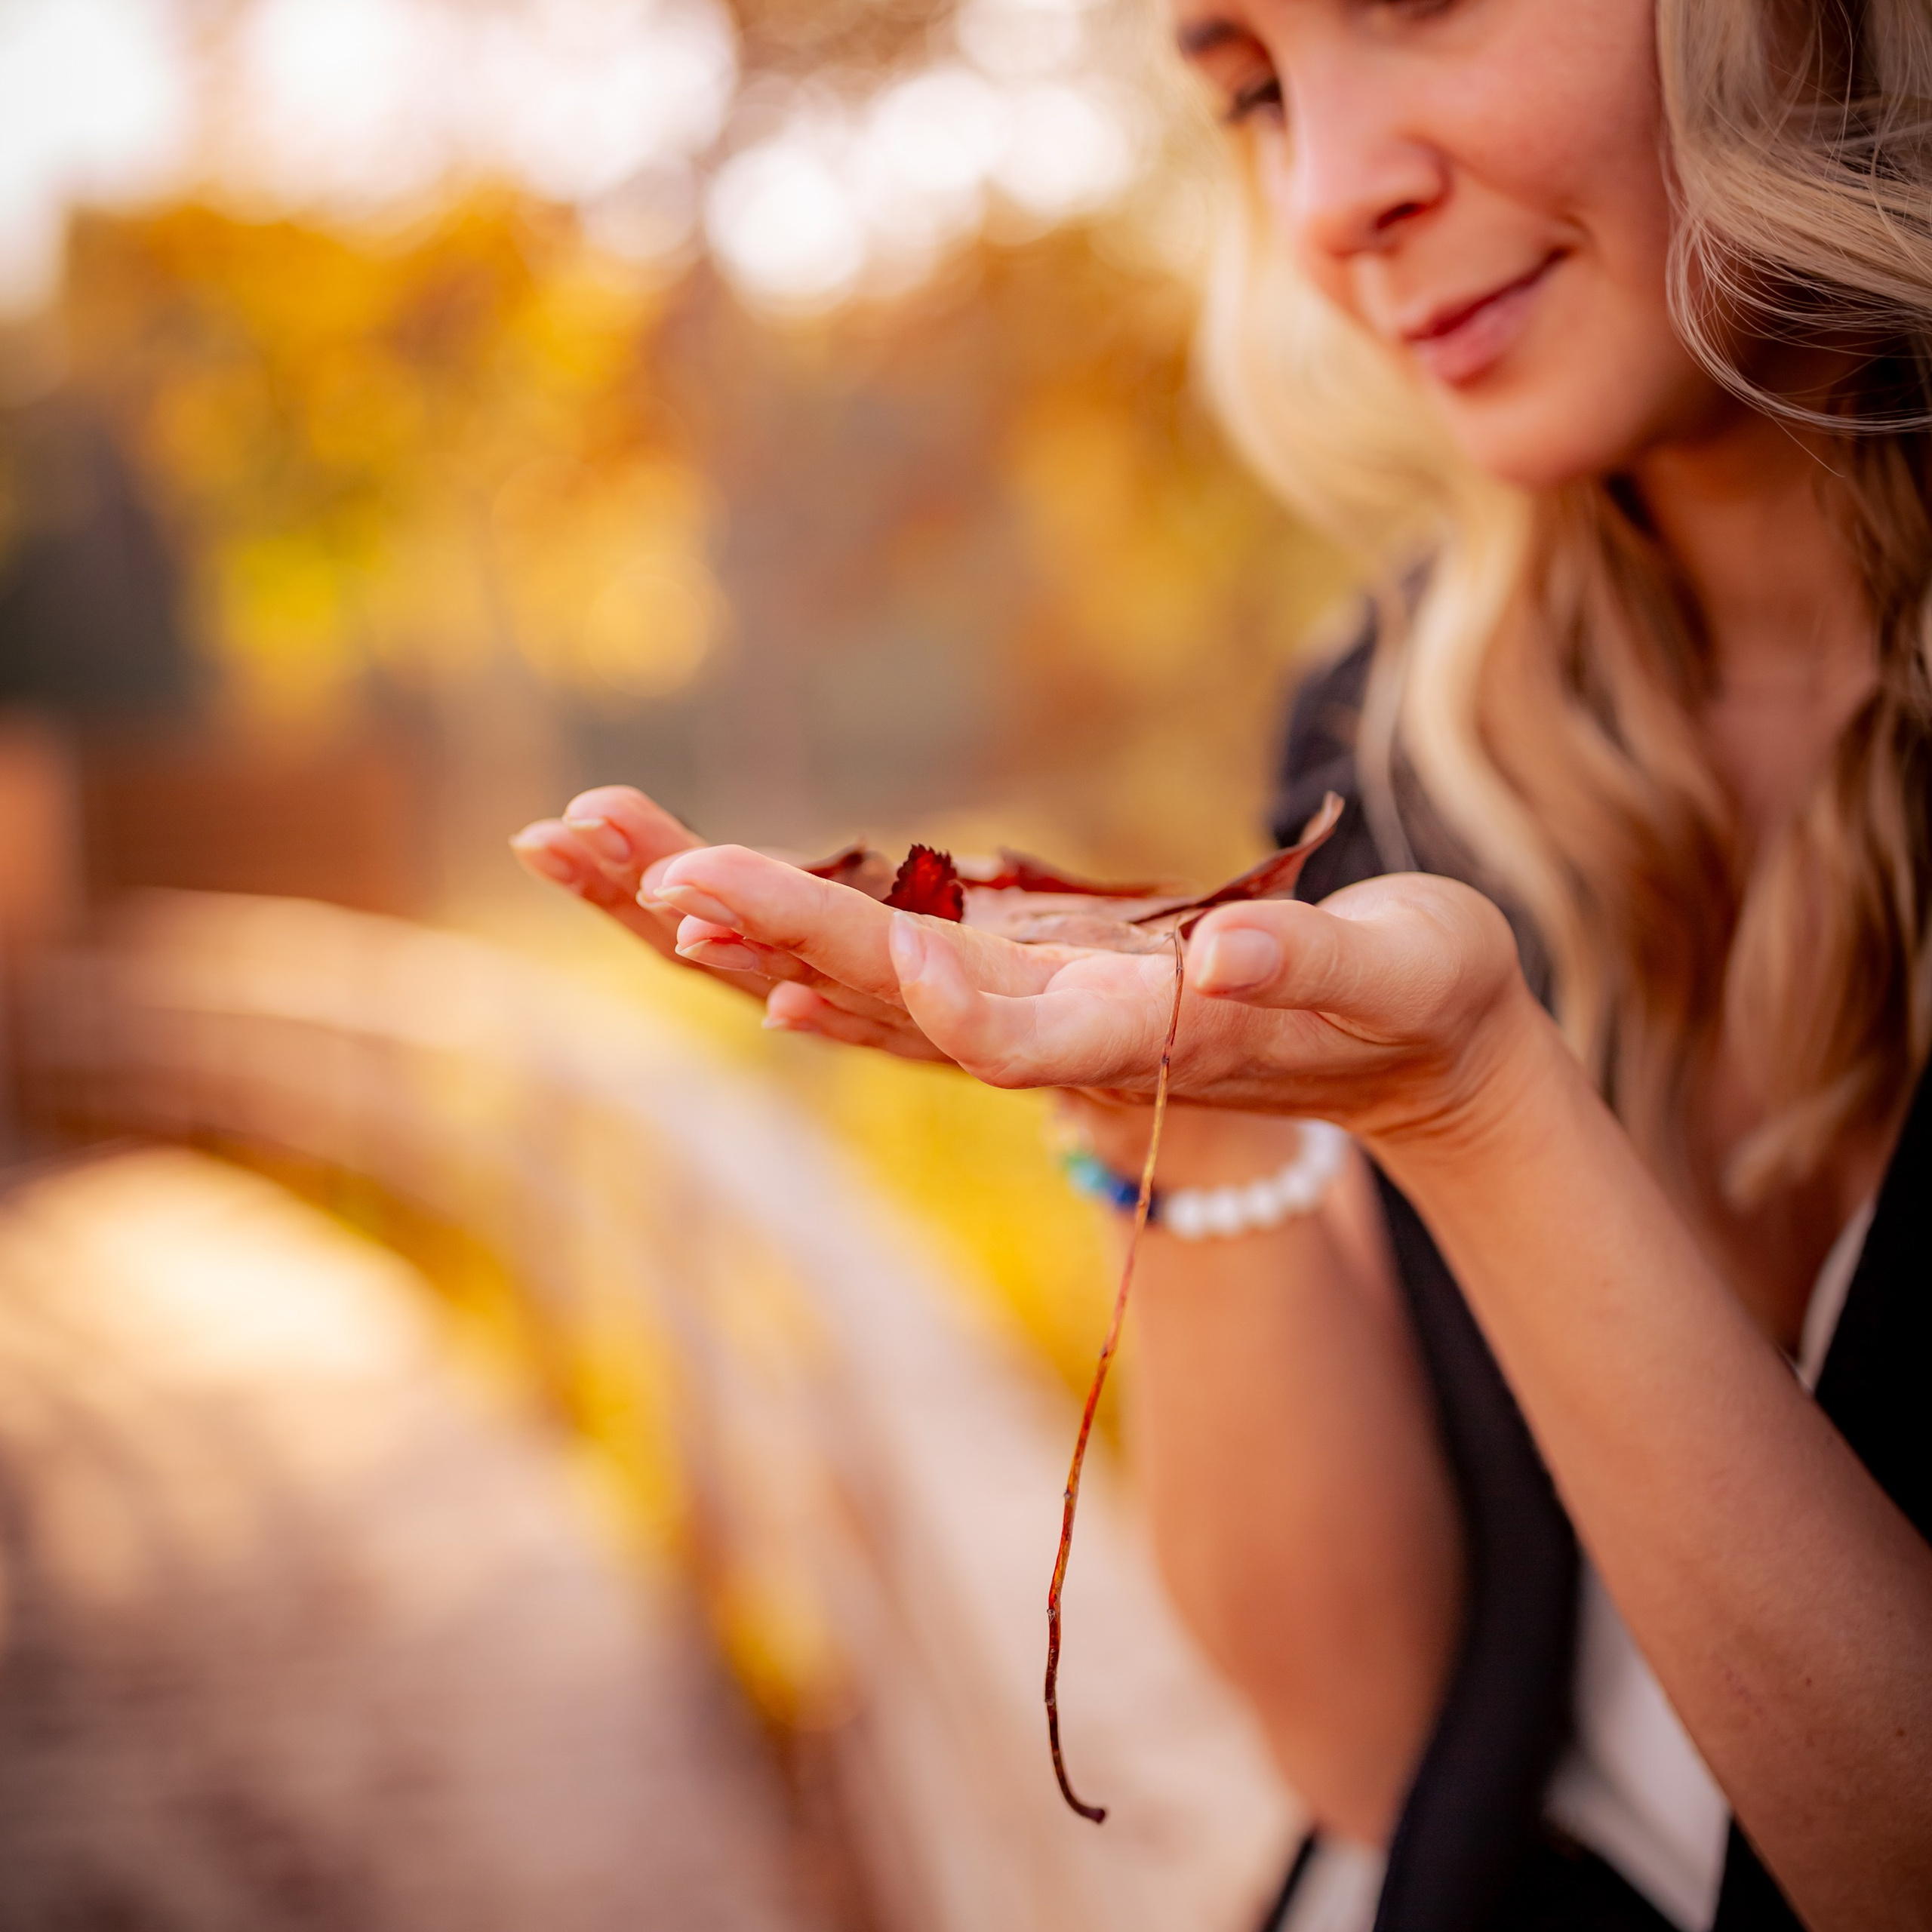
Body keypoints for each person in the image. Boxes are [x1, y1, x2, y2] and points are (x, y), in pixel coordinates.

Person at [511, 2, 1932, 1927]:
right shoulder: (1398, 740)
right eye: (1253, 95)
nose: (1328, 197)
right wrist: (1153, 1099)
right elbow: (1373, 1740)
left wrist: (1478, 1113)